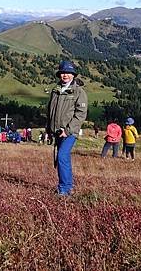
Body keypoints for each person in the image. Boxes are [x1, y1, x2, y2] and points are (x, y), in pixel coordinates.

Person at [46, 60, 88, 196]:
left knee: (62, 156)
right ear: (59, 74)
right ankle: (67, 186)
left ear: (73, 75)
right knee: (61, 158)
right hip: (57, 131)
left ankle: (64, 189)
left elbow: (81, 114)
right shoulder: (55, 90)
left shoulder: (78, 92)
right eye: (63, 73)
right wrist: (49, 129)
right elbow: (50, 111)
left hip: (69, 132)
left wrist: (68, 130)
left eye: (68, 73)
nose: (65, 75)